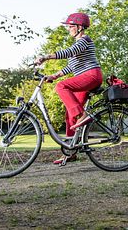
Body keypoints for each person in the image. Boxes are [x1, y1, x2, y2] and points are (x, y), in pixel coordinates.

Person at [35, 12, 102, 165]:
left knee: (62, 87)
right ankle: (70, 152)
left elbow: (68, 53)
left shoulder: (84, 40)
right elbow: (71, 66)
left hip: (91, 75)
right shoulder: (78, 45)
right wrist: (54, 75)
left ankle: (83, 115)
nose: (68, 29)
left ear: (79, 27)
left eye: (70, 26)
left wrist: (46, 56)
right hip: (84, 78)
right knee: (70, 116)